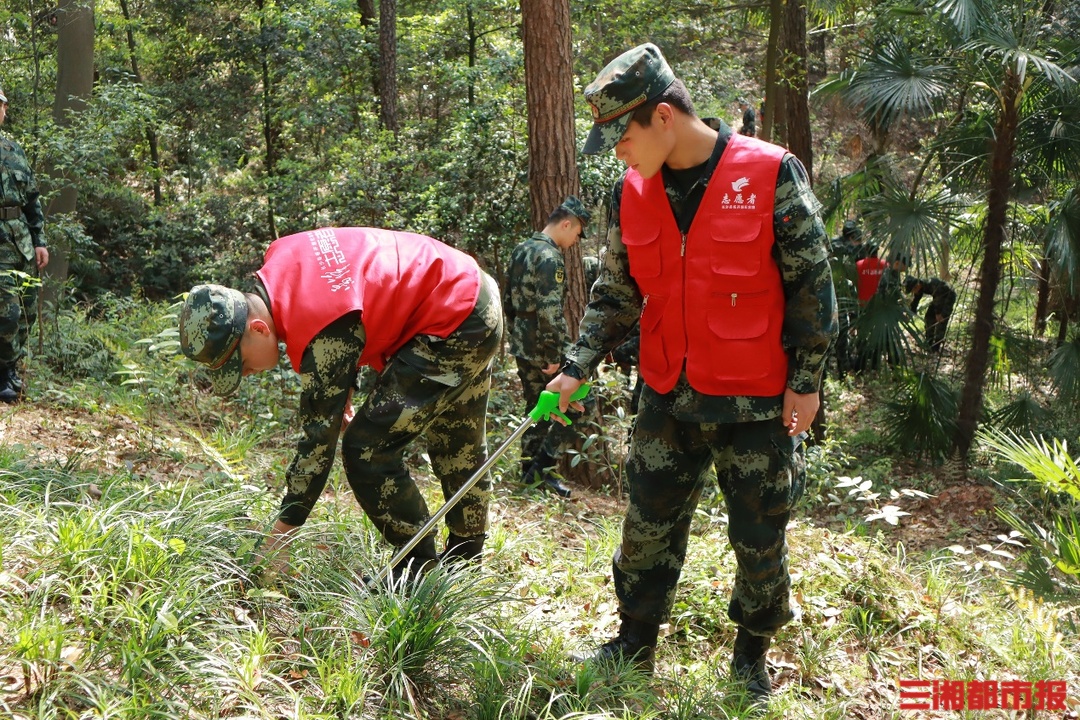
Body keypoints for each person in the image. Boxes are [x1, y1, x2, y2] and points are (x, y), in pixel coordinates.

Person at [547, 43, 836, 703]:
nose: (616, 151)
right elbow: (614, 293)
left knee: (760, 537)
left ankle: (750, 659)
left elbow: (812, 285)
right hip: (667, 396)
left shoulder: (768, 174)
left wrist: (808, 379)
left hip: (756, 401)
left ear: (663, 118)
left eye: (621, 134)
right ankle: (634, 643)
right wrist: (576, 366)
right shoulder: (632, 190)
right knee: (646, 527)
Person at [179, 227, 503, 581]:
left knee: (368, 448)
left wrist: (281, 535)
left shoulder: (314, 321)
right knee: (460, 440)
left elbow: (319, 440)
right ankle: (465, 566)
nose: (248, 373)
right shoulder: (280, 261)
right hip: (472, 290)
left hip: (453, 318)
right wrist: (341, 379)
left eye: (240, 363)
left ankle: (417, 570)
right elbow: (355, 297)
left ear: (258, 328)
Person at [503, 196, 592, 498]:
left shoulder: (521, 250)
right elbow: (549, 312)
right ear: (567, 224)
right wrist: (554, 358)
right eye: (578, 233)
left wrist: (518, 334)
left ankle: (529, 475)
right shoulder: (550, 257)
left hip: (522, 342)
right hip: (545, 348)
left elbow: (507, 301)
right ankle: (541, 469)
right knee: (579, 404)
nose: (576, 240)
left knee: (535, 409)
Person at [0, 84, 48, 402]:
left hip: (22, 241)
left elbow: (31, 198)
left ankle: (12, 371)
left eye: (1, 105)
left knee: (27, 310)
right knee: (8, 314)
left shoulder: (14, 150)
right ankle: (2, 374)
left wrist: (40, 240)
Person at [904, 276, 955, 353]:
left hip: (947, 296)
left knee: (941, 321)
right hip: (937, 299)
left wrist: (938, 313)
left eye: (913, 289)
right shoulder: (920, 288)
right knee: (929, 318)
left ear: (917, 285)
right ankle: (929, 341)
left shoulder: (930, 283)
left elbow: (938, 297)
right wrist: (911, 312)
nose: (913, 292)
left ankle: (936, 346)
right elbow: (916, 299)